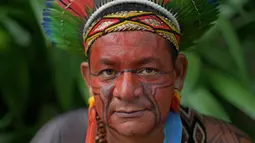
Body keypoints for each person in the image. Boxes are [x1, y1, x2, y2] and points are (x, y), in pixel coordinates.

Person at [32, 0, 254, 142]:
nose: (127, 91)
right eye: (109, 72)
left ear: (178, 73)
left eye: (148, 70)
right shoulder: (63, 137)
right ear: (89, 78)